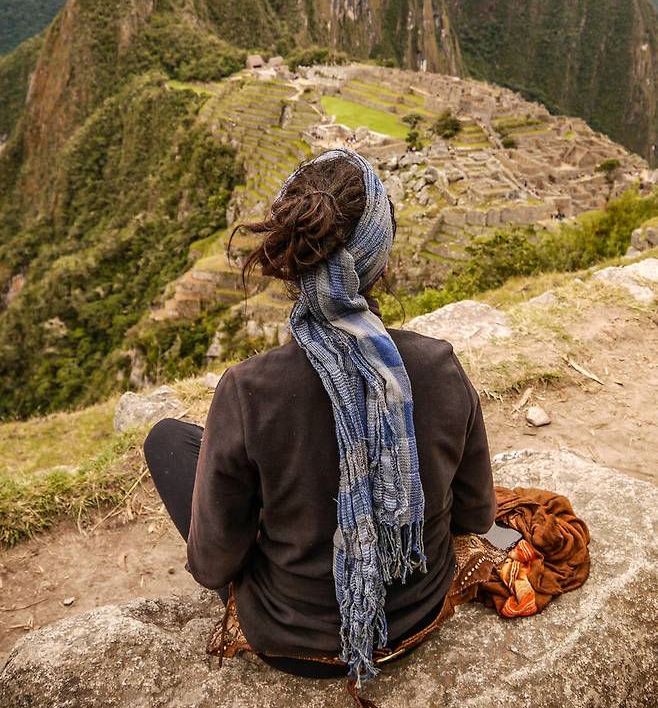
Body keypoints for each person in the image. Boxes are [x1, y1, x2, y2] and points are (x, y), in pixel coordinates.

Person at [144, 148, 496, 698]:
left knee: (169, 439)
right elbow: (476, 514)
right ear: (379, 261)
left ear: (291, 259)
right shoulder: (437, 366)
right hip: (419, 613)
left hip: (293, 638)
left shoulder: (249, 391)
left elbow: (213, 564)